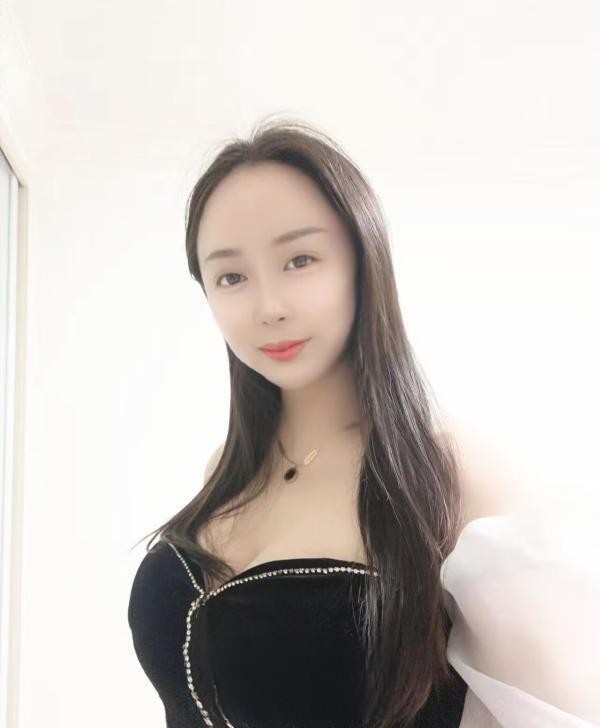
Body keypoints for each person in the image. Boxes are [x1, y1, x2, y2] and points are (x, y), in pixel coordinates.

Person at [127, 116, 599, 728]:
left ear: (363, 261)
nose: (269, 306)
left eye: (300, 259)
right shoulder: (224, 470)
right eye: (231, 276)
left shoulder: (454, 472)